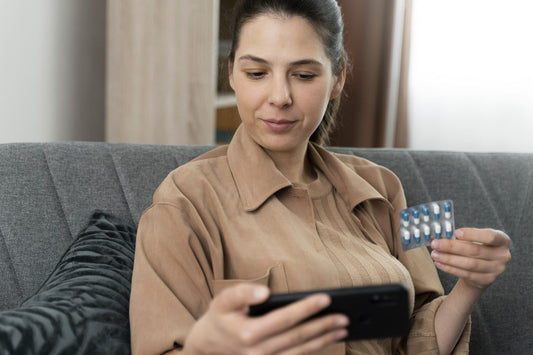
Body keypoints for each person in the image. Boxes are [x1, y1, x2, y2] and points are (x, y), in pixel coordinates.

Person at [129, 0, 511, 353]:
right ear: (232, 73)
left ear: (337, 78)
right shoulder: (183, 203)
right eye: (257, 72)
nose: (279, 96)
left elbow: (419, 341)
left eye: (304, 74)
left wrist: (471, 285)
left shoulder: (384, 189)